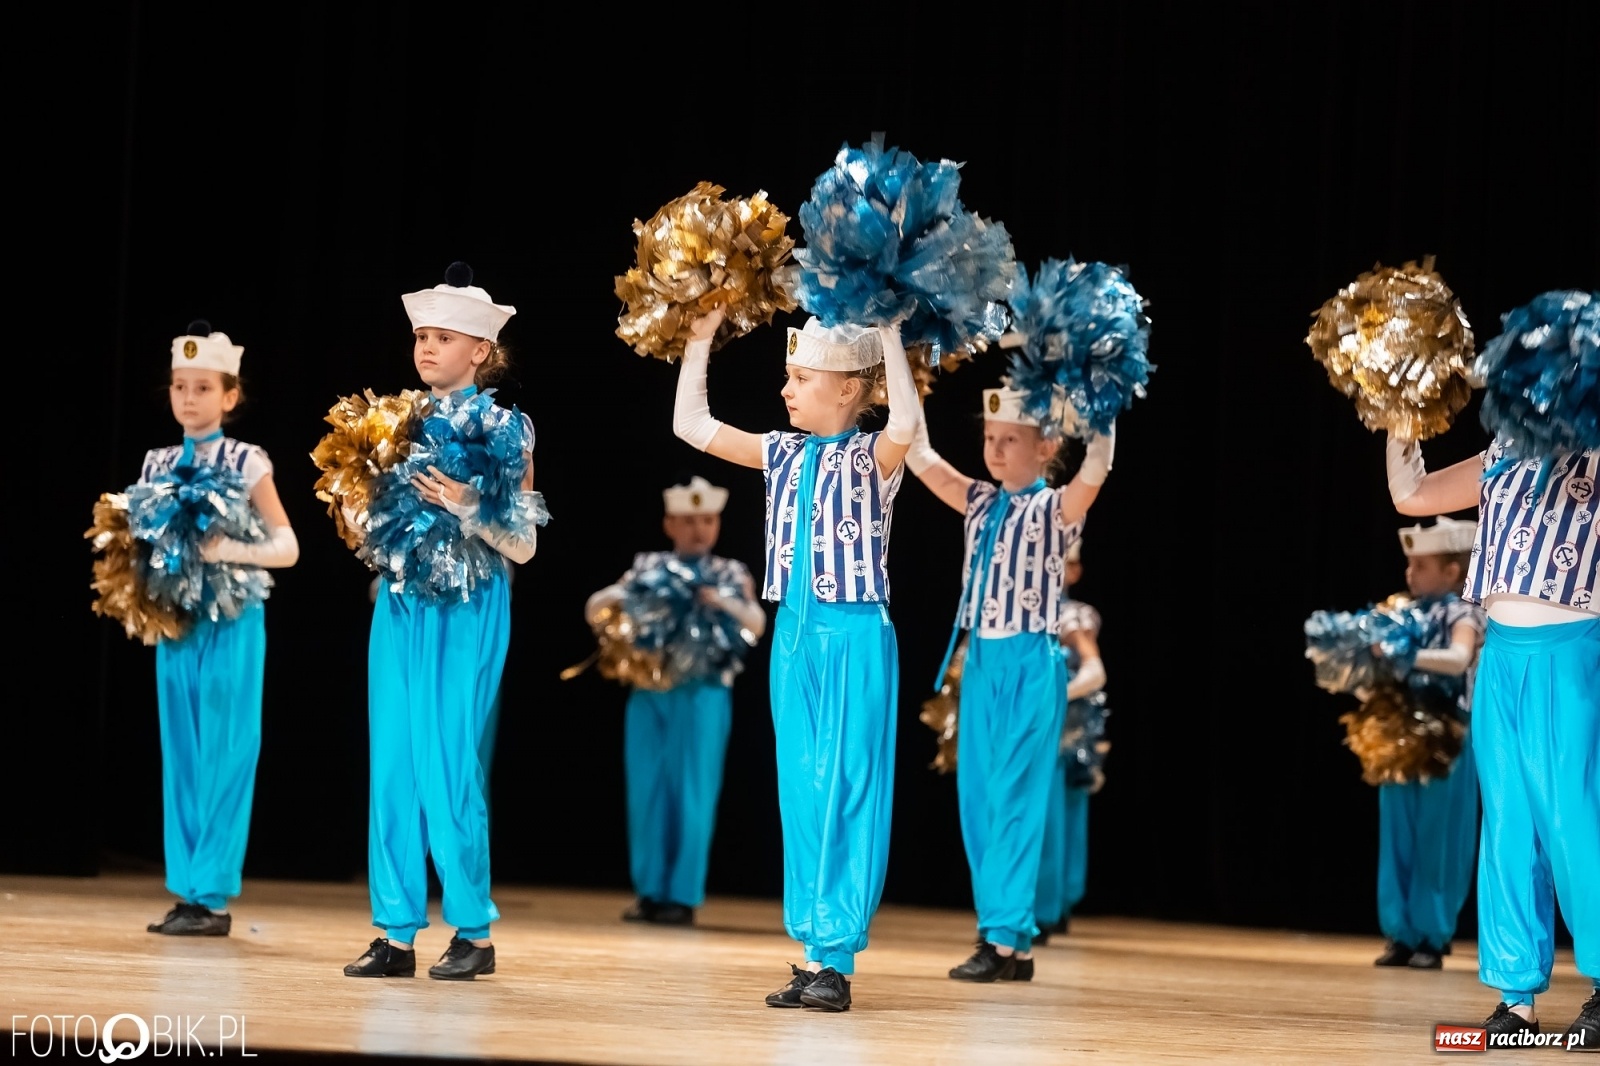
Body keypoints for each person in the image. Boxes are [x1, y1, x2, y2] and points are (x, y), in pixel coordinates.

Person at [672, 306, 917, 1011]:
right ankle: (812, 954)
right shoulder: (782, 451)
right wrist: (699, 339)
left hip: (853, 638)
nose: (786, 390)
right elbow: (692, 426)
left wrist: (893, 336)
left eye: (800, 377)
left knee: (847, 790)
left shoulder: (873, 456)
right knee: (803, 796)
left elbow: (904, 424)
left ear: (846, 389)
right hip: (793, 637)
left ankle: (837, 955)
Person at [1385, 353, 1597, 1039]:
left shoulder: (1591, 444)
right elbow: (1411, 495)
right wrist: (1400, 410)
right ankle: (1517, 997)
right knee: (1507, 827)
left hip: (1573, 649)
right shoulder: (1502, 452)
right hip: (1502, 654)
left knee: (1574, 821)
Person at [341, 263, 542, 981]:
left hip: (469, 606)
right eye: (421, 335)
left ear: (480, 351)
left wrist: (470, 507)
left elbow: (525, 541)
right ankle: (394, 932)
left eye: (442, 337)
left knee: (449, 764)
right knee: (391, 765)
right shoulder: (393, 420)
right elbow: (375, 519)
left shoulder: (507, 427)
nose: (426, 348)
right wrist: (360, 518)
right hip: (399, 605)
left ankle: (473, 929)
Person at [904, 387, 1114, 982]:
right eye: (989, 439)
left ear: (1045, 446)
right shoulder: (977, 501)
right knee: (980, 803)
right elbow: (917, 453)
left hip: (1028, 662)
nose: (994, 450)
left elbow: (1097, 464)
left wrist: (1102, 391)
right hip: (982, 665)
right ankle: (1014, 943)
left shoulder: (1054, 508)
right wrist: (903, 364)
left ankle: (998, 938)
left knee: (1017, 801)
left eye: (1009, 441)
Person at [142, 321, 300, 936]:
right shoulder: (157, 462)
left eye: (203, 387)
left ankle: (211, 896)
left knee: (226, 752)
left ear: (229, 396)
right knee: (180, 754)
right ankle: (187, 892)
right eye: (181, 386)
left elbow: (287, 545)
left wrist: (228, 549)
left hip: (233, 622)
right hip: (177, 624)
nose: (189, 398)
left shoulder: (246, 460)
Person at [584, 475, 766, 926]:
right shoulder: (648, 567)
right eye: (688, 521)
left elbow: (756, 625)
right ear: (669, 524)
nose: (698, 530)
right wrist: (627, 592)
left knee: (692, 791)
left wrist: (720, 602)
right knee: (646, 790)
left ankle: (681, 896)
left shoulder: (730, 573)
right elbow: (595, 609)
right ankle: (650, 892)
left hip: (703, 694)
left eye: (706, 520)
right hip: (650, 693)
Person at [1365, 517, 1484, 971]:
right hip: (1402, 730)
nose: (1410, 574)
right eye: (1409, 565)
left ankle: (1431, 935)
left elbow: (1457, 659)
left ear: (1452, 573)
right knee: (1397, 831)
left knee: (1440, 835)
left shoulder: (1463, 611)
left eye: (1421, 565)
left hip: (1448, 733)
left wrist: (1404, 655)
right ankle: (1400, 932)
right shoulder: (1402, 611)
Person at [1034, 538, 1107, 944]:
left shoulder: (1071, 616)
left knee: (1057, 819)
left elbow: (1095, 672)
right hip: (1030, 730)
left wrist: (1053, 697)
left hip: (1063, 732)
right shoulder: (1021, 611)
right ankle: (1040, 908)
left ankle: (1049, 909)